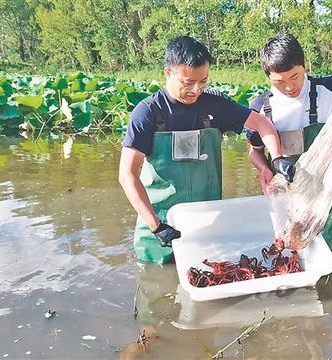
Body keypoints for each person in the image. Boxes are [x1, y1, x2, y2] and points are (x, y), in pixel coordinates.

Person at [119, 36, 295, 264]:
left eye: (203, 81)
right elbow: (127, 175)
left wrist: (277, 158)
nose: (196, 90)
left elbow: (262, 124)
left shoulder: (215, 105)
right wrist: (156, 225)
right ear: (168, 73)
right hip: (159, 225)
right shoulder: (148, 113)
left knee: (208, 275)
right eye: (188, 82)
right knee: (157, 289)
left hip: (207, 223)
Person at [246, 33, 332, 278]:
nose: (290, 86)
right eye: (280, 81)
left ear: (304, 65)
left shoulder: (330, 91)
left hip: (329, 187)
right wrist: (265, 169)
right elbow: (255, 151)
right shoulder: (261, 107)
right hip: (287, 191)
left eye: (295, 76)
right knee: (290, 251)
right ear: (268, 76)